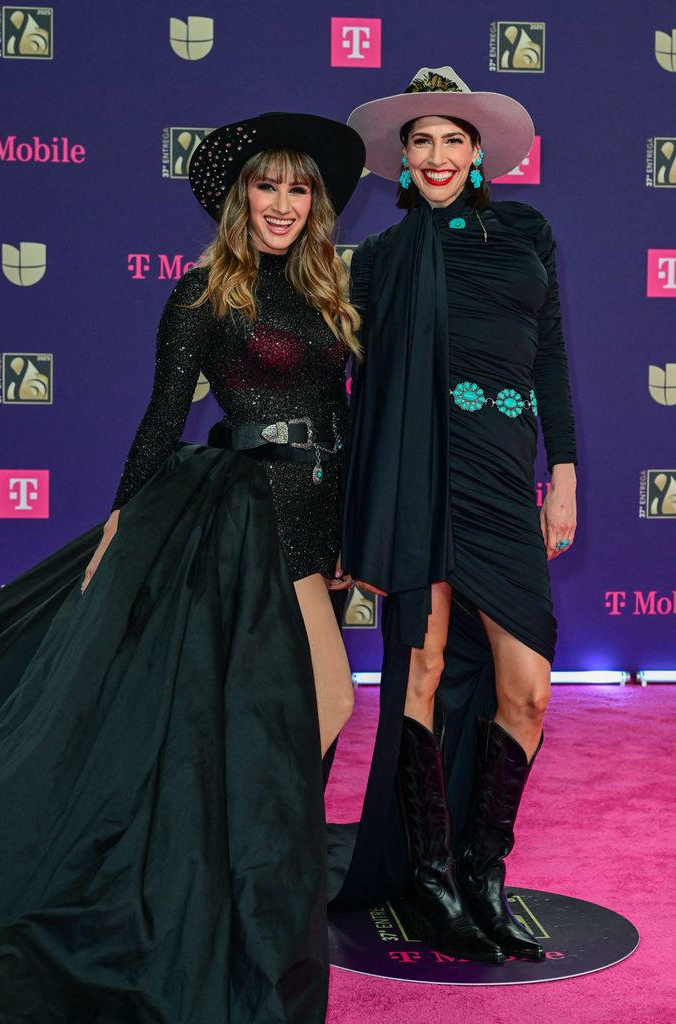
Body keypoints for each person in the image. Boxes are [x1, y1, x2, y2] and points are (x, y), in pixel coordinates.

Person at [0, 112, 364, 1024]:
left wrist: (350, 531)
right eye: (266, 187)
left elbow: (336, 414)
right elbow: (163, 420)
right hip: (246, 518)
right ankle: (244, 881)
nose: (281, 204)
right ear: (242, 198)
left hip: (316, 520)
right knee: (314, 704)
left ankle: (258, 871)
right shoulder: (205, 294)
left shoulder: (326, 292)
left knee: (317, 708)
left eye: (298, 188)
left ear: (315, 203)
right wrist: (121, 523)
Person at [332, 68, 577, 965]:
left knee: (530, 688)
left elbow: (550, 360)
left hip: (504, 474)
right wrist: (356, 515)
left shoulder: (527, 234)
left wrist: (567, 471)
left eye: (453, 140)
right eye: (421, 142)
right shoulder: (384, 259)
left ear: (478, 153)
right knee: (424, 670)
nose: (437, 156)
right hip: (418, 476)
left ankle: (485, 868)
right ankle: (434, 878)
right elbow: (357, 398)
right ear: (403, 157)